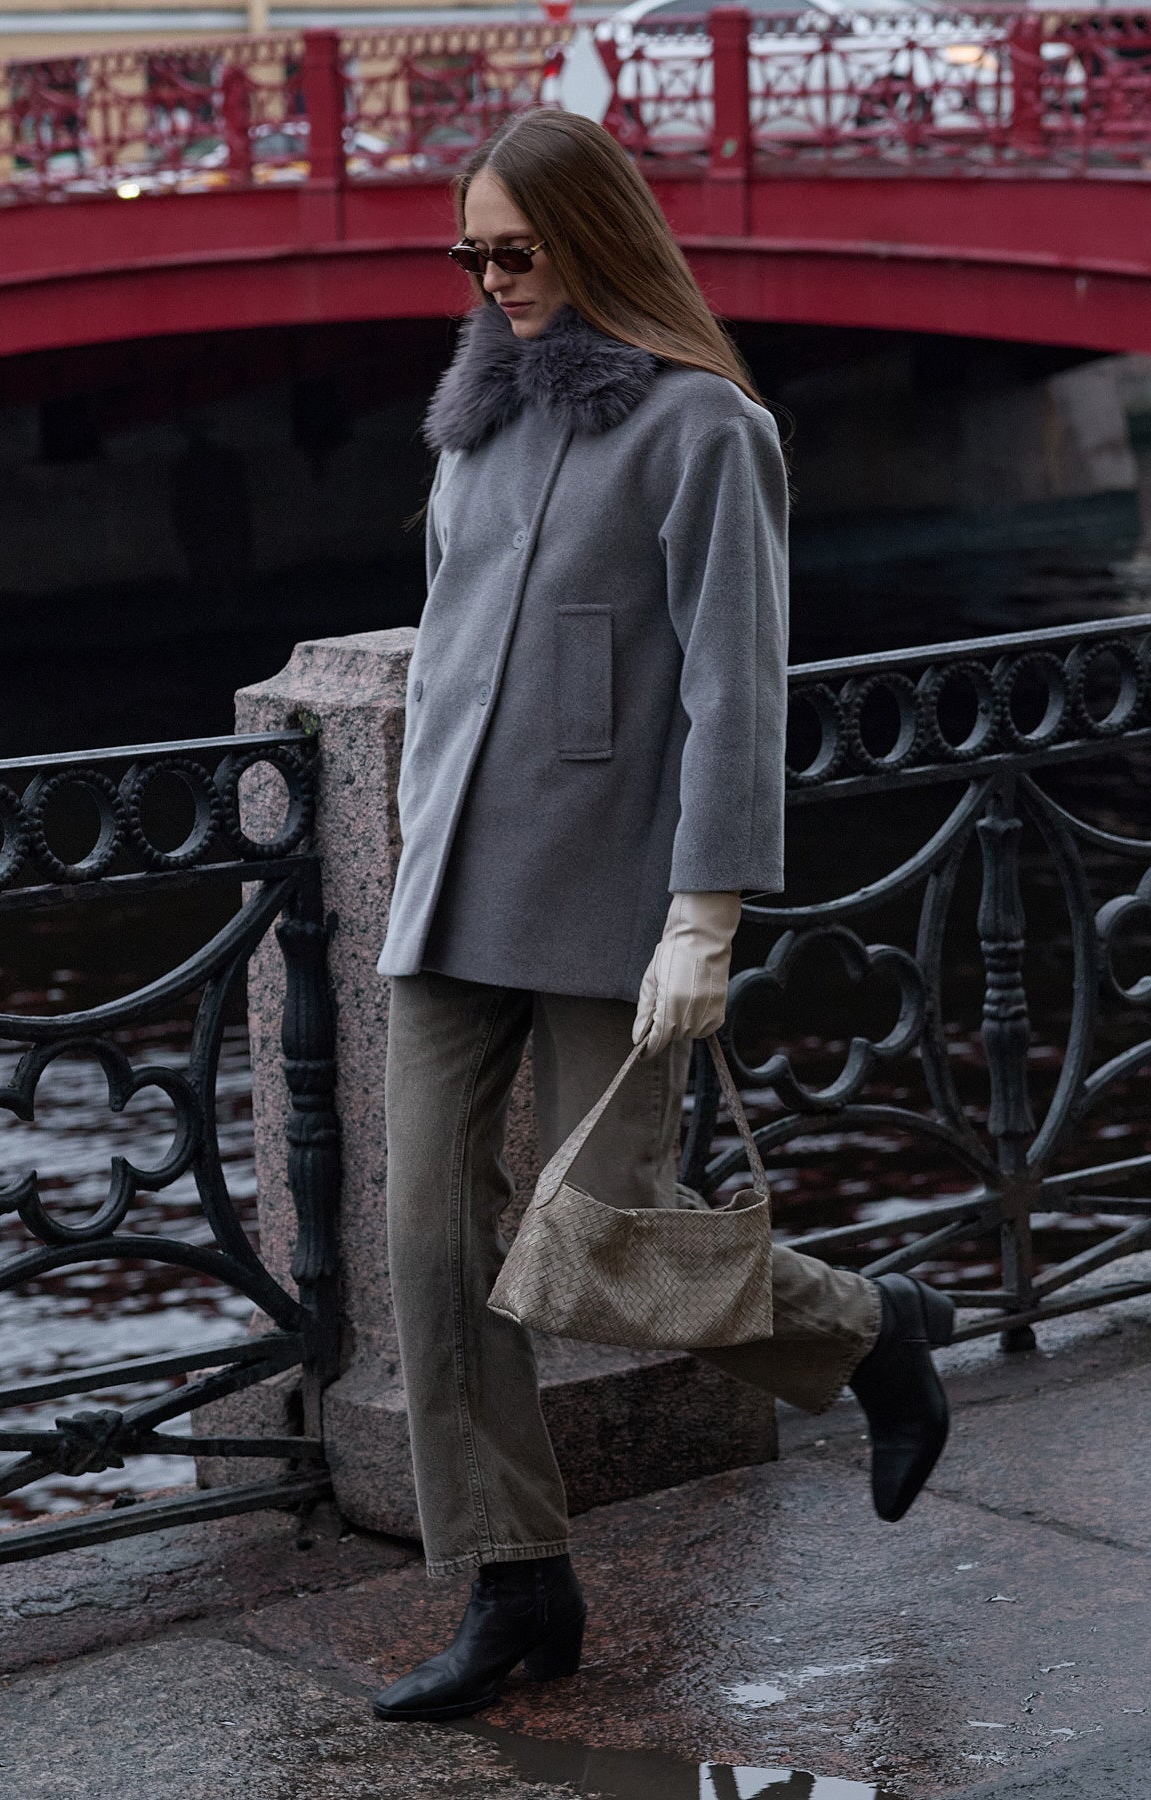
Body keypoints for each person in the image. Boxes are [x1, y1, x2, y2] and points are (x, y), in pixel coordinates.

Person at [371, 109, 954, 1725]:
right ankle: (515, 1581)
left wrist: (705, 918)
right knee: (429, 1242)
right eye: (471, 254)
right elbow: (450, 644)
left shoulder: (707, 428)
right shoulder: (473, 424)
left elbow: (733, 690)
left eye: (517, 250)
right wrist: (417, 829)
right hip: (448, 890)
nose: (492, 282)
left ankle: (872, 1332)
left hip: (614, 906)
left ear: (595, 237)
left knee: (611, 1249)